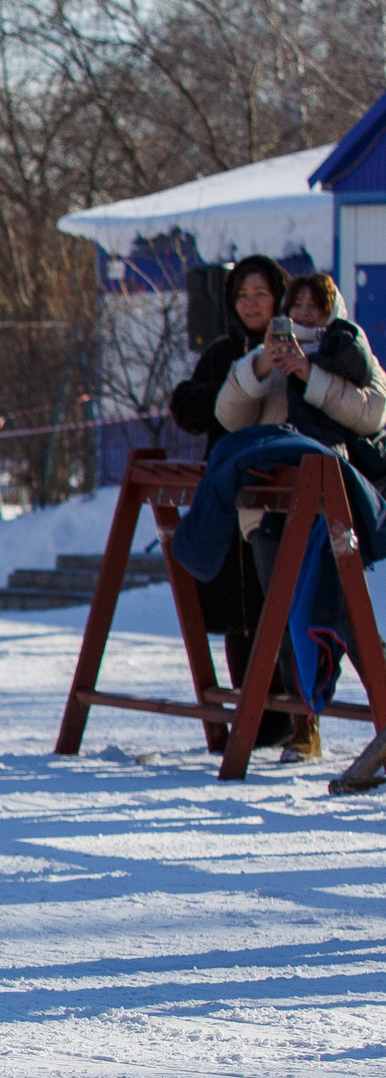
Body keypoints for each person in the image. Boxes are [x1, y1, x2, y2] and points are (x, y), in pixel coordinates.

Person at [211, 269, 386, 763]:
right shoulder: (268, 354)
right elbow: (228, 415)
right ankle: (301, 725)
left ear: (333, 309)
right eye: (298, 307)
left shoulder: (350, 347)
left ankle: (383, 711)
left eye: (316, 307)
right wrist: (264, 365)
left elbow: (373, 413)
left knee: (345, 610)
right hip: (272, 506)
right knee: (283, 611)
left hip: (333, 502)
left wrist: (313, 376)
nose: (306, 316)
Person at [169, 255, 293, 750]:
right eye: (242, 295)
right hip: (227, 499)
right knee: (235, 613)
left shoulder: (297, 351)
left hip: (281, 502)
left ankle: (290, 719)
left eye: (261, 294)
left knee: (278, 603)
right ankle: (246, 717)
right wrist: (229, 389)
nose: (251, 304)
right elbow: (190, 411)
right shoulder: (222, 354)